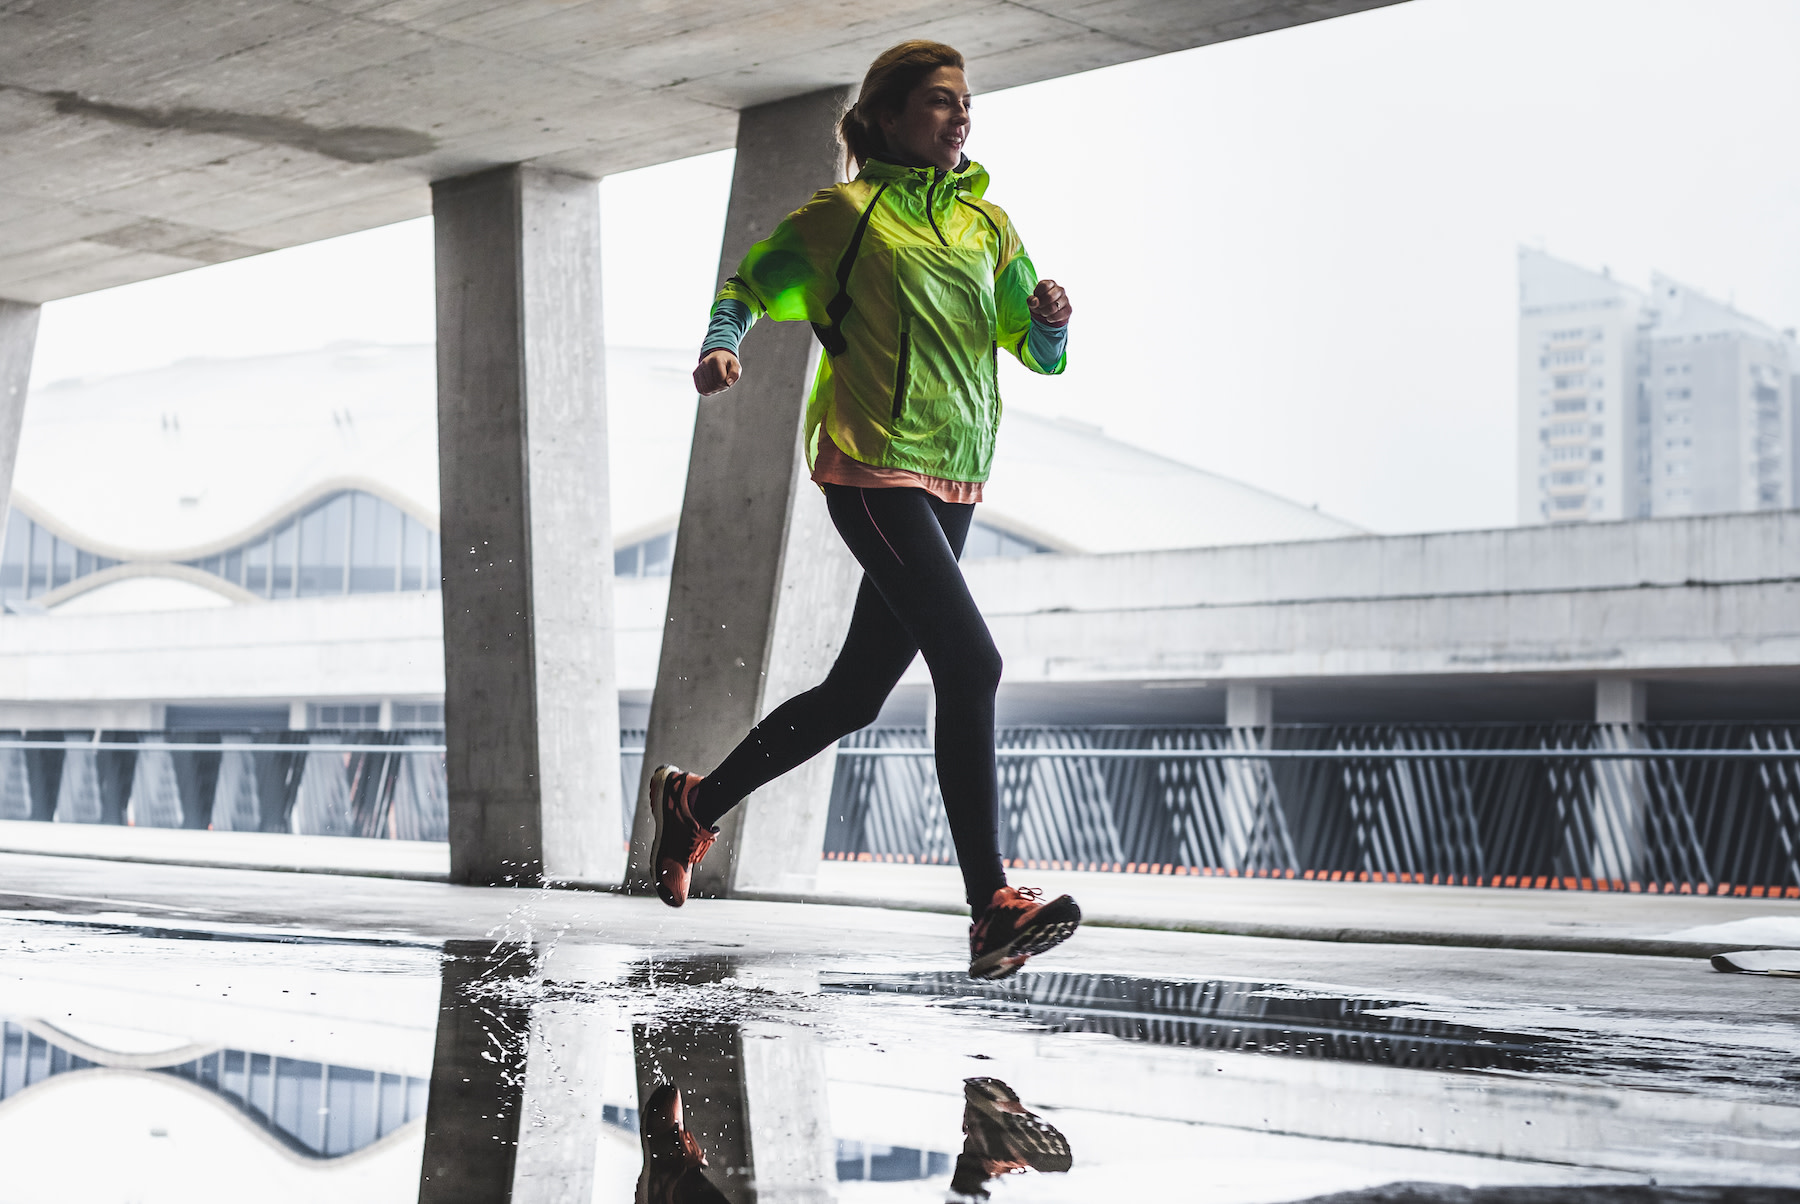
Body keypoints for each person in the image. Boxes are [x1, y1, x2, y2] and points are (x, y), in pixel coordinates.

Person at [647, 39, 1080, 982]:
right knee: (972, 661)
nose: (958, 116)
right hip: (871, 469)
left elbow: (1033, 353)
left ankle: (693, 804)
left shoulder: (989, 227)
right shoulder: (847, 216)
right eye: (936, 101)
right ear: (885, 118)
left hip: (955, 472)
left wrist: (1047, 320)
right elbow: (748, 284)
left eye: (964, 102)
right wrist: (724, 344)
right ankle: (991, 905)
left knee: (857, 694)